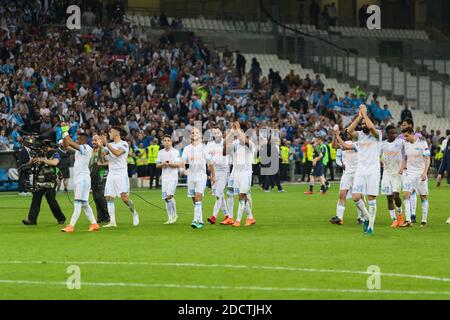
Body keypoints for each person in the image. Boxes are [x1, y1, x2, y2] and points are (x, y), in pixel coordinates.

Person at [347, 104, 382, 236]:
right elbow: (349, 131)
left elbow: (372, 127)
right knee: (356, 197)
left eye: (364, 123)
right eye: (361, 123)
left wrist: (365, 114)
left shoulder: (377, 134)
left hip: (373, 170)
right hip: (361, 169)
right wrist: (359, 116)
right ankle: (367, 217)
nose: (363, 125)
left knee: (371, 198)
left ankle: (371, 227)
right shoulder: (359, 135)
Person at [60, 129, 99, 233]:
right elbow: (65, 146)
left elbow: (70, 142)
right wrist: (64, 136)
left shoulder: (87, 148)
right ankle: (94, 224)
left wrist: (64, 130)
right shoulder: (79, 149)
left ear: (83, 140)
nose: (76, 140)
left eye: (78, 139)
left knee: (77, 202)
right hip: (79, 179)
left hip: (83, 179)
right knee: (85, 203)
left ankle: (71, 226)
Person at [101, 127, 140, 227]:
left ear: (117, 133)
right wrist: (100, 146)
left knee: (125, 198)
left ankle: (134, 213)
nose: (109, 132)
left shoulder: (124, 144)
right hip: (111, 173)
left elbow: (117, 153)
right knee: (109, 197)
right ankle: (112, 222)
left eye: (111, 131)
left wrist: (106, 144)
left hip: (121, 174)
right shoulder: (110, 144)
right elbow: (102, 157)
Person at [22, 142, 66, 226]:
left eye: (44, 147)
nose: (43, 149)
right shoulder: (39, 154)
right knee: (35, 200)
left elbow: (54, 163)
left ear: (48, 147)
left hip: (50, 181)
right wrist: (32, 160)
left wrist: (42, 159)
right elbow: (30, 164)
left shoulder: (55, 154)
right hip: (39, 181)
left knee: (51, 201)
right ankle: (32, 220)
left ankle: (61, 218)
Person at [181, 127, 216, 229]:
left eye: (196, 133)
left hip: (201, 175)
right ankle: (200, 220)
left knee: (197, 197)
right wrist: (182, 168)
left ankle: (195, 220)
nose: (194, 134)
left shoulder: (204, 148)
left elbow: (210, 163)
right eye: (192, 133)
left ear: (199, 135)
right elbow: (183, 160)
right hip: (191, 176)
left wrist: (213, 176)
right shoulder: (187, 148)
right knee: (195, 200)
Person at [225, 122, 256, 227]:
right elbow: (224, 148)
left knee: (242, 195)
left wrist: (238, 129)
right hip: (236, 173)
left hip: (246, 173)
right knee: (242, 196)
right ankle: (250, 217)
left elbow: (244, 140)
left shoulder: (250, 143)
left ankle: (237, 220)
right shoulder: (235, 143)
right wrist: (231, 133)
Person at [329, 128, 363, 225]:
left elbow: (346, 146)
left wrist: (337, 135)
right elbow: (334, 146)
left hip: (357, 173)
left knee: (359, 196)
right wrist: (335, 136)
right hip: (347, 173)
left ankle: (361, 217)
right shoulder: (344, 142)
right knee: (342, 195)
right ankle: (339, 218)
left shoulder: (357, 144)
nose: (350, 133)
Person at [400, 127, 431, 227]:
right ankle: (408, 220)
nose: (405, 138)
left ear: (412, 134)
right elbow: (405, 157)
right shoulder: (406, 144)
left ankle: (424, 220)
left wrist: (425, 173)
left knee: (423, 197)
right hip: (409, 173)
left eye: (406, 136)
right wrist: (402, 167)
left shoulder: (422, 143)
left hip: (420, 173)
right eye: (404, 136)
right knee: (405, 195)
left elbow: (427, 159)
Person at [380, 125, 405, 228]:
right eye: (391, 133)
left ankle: (400, 214)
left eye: (395, 133)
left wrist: (403, 166)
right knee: (389, 197)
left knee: (395, 195)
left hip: (397, 173)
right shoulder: (383, 145)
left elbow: (406, 154)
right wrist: (379, 160)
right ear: (387, 134)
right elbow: (377, 155)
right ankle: (394, 220)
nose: (393, 134)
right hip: (386, 173)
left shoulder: (400, 142)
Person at [206, 127, 232, 225]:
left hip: (224, 170)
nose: (216, 134)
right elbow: (207, 157)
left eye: (218, 132)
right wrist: (209, 165)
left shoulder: (225, 142)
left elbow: (228, 154)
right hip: (214, 170)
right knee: (219, 195)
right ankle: (227, 215)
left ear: (221, 133)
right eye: (214, 133)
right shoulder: (209, 144)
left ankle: (214, 217)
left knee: (218, 194)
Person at [156, 134, 181, 224]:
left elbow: (178, 164)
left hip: (173, 177)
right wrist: (163, 164)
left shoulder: (175, 152)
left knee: (170, 196)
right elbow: (157, 165)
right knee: (165, 198)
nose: (166, 142)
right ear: (162, 142)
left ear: (171, 142)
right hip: (165, 177)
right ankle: (169, 217)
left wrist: (170, 164)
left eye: (168, 140)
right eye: (165, 140)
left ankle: (175, 215)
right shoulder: (160, 152)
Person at [90, 135, 110, 224]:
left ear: (100, 141)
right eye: (93, 140)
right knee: (95, 197)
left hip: (102, 175)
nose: (94, 142)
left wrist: (102, 164)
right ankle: (100, 217)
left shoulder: (104, 150)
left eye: (96, 140)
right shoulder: (91, 151)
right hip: (93, 176)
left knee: (100, 196)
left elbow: (110, 162)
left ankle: (107, 216)